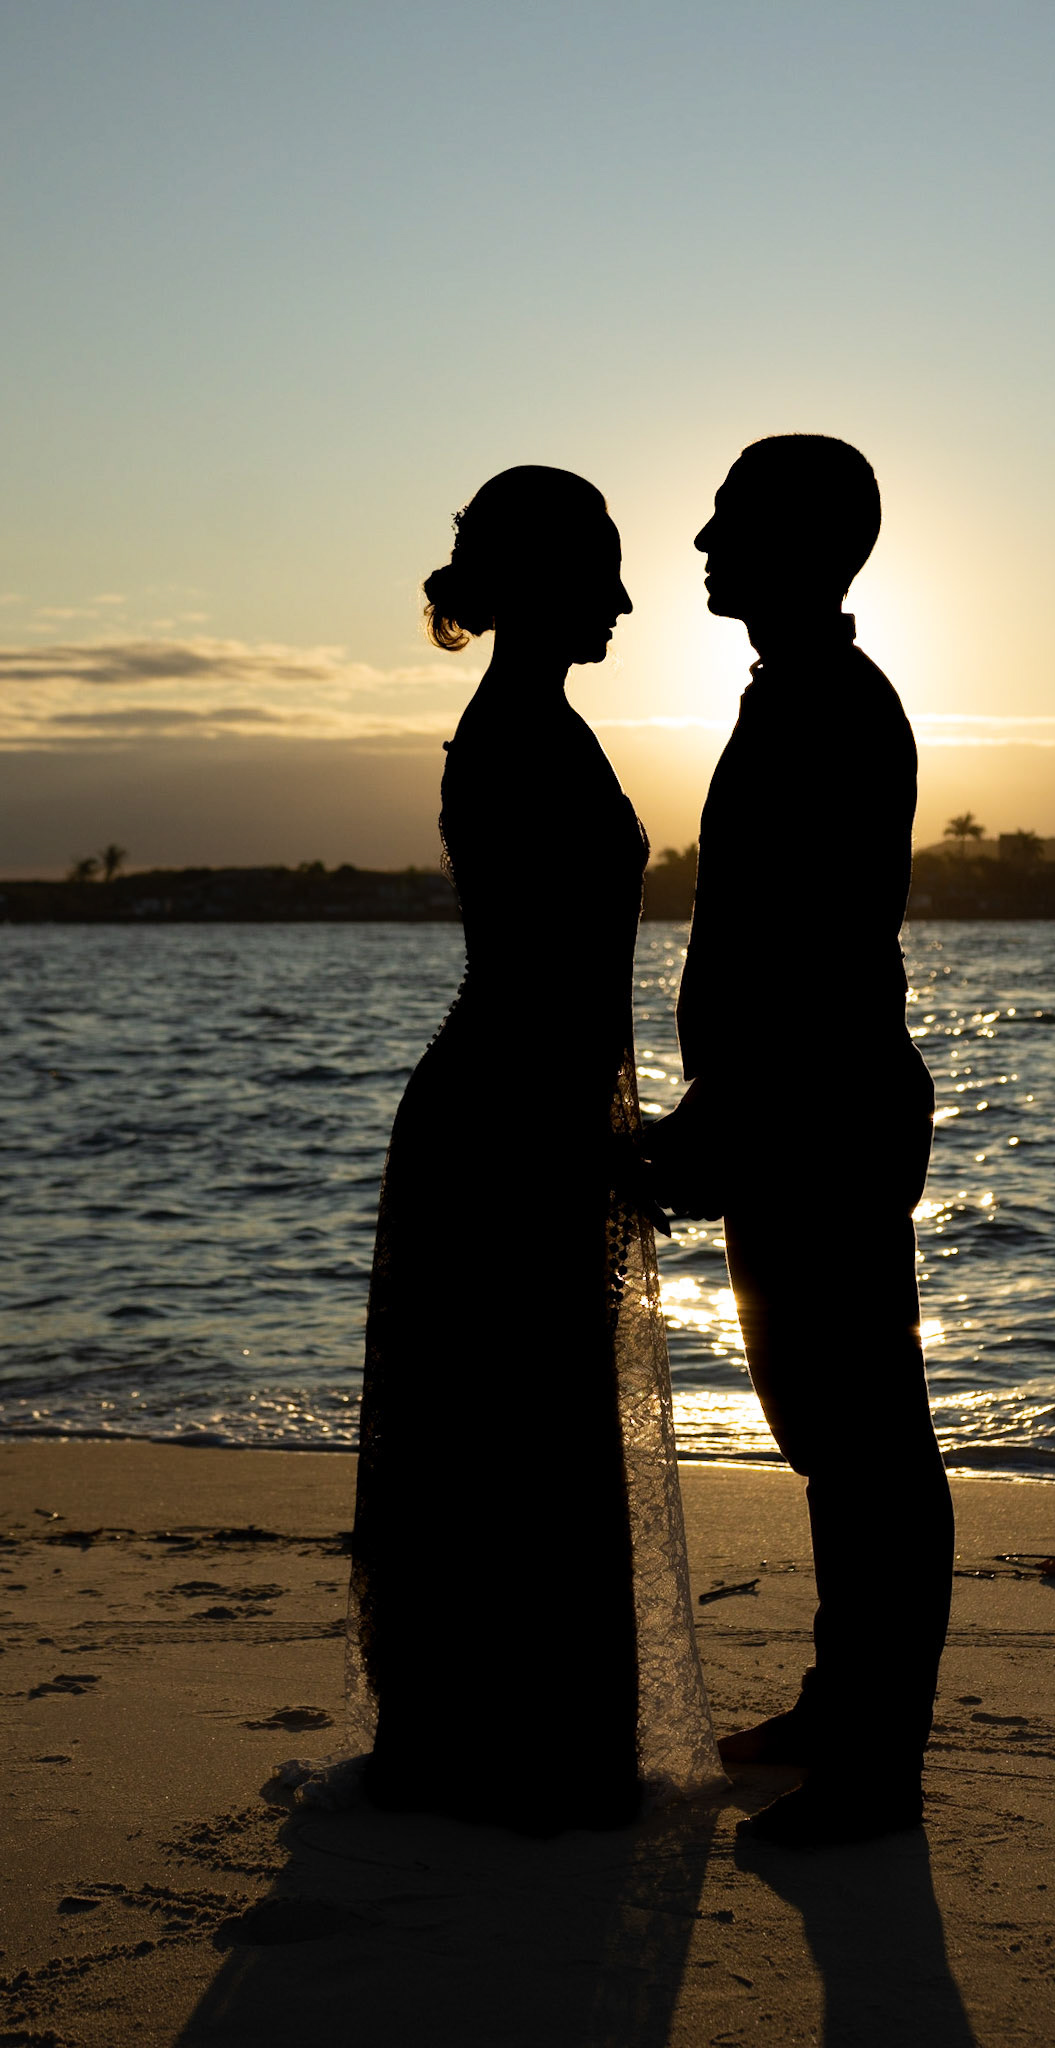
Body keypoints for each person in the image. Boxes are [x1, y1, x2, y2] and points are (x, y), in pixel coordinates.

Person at [349, 466, 720, 1833]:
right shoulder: (514, 735)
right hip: (507, 1120)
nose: (624, 599)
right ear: (544, 582)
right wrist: (608, 1136)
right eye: (600, 573)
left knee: (520, 1430)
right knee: (512, 1433)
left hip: (523, 1108)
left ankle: (507, 1742)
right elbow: (549, 974)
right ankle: (503, 1750)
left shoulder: (532, 724)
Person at [647, 434, 953, 1847]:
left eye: (727, 521)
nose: (701, 542)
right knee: (826, 1434)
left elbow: (816, 952)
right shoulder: (795, 696)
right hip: (792, 1111)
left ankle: (876, 1764)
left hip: (817, 1112)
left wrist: (716, 1114)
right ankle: (844, 1709)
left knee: (867, 1438)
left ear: (802, 543)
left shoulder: (831, 708)